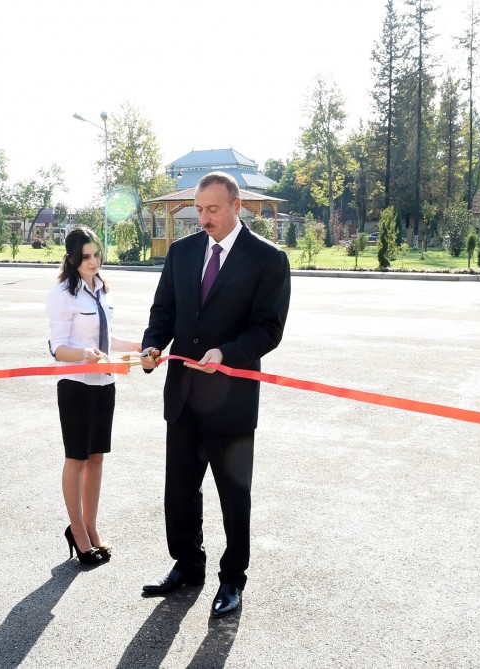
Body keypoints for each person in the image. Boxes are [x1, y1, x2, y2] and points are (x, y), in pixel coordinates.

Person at [139, 171, 291, 618]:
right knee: (180, 492)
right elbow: (163, 311)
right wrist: (152, 344)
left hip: (232, 400)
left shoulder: (267, 259)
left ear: (237, 206)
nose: (203, 218)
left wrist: (229, 352)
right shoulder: (182, 252)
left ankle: (232, 579)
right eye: (199, 210)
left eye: (213, 209)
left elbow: (268, 329)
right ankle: (188, 566)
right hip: (183, 395)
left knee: (233, 495)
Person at [47, 226, 142, 565]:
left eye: (96, 254)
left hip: (104, 383)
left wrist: (134, 347)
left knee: (97, 457)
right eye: (85, 256)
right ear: (72, 259)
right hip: (75, 385)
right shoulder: (63, 293)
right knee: (77, 459)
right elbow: (57, 348)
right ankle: (76, 529)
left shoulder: (102, 289)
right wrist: (83, 355)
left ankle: (90, 525)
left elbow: (106, 338)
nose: (93, 261)